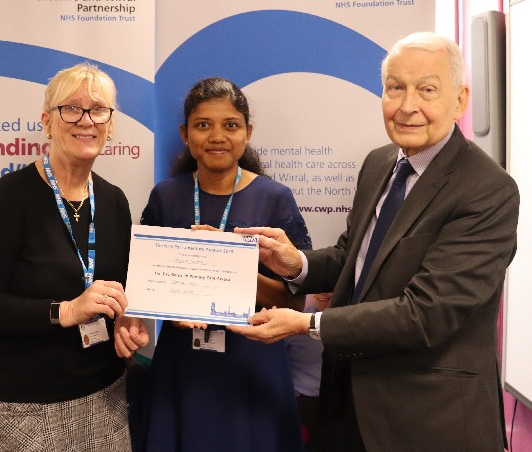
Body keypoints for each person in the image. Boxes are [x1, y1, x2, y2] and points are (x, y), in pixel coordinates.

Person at [229, 32, 519, 452]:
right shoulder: (380, 163)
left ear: (460, 100)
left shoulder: (488, 190)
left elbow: (426, 314)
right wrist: (296, 263)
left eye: (427, 90)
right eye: (394, 88)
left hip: (429, 422)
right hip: (346, 405)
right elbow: (356, 258)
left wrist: (308, 324)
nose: (407, 106)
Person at [0, 63, 148, 452]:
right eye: (71, 108)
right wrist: (64, 312)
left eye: (98, 110)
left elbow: (119, 287)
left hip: (104, 392)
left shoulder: (113, 201)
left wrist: (128, 317)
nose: (86, 120)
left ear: (110, 125)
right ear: (47, 120)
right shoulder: (11, 197)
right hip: (23, 403)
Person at [134, 77, 312, 452]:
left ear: (247, 133)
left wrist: (233, 266)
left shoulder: (275, 198)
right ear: (185, 134)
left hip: (253, 363)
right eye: (203, 125)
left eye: (230, 125)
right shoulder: (165, 196)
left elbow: (295, 303)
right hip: (183, 362)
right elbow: (146, 285)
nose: (217, 136)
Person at [285, 293, 331, 452]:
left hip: (336, 406)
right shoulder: (294, 321)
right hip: (302, 404)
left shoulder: (354, 320)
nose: (325, 293)